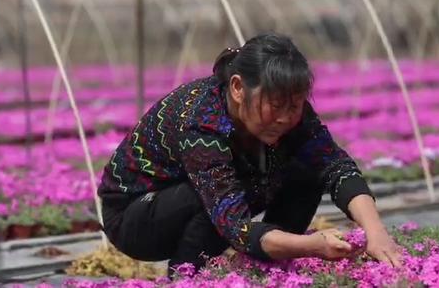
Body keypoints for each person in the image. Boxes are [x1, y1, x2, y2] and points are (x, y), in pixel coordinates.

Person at [97, 33, 402, 277]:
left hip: (214, 198)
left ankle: (266, 268)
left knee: (310, 167)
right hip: (135, 216)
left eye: (294, 106)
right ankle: (188, 278)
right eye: (276, 104)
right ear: (239, 88)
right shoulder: (201, 121)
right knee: (208, 198)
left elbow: (335, 165)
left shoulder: (292, 113)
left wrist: (376, 234)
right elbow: (231, 220)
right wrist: (311, 246)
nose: (285, 117)